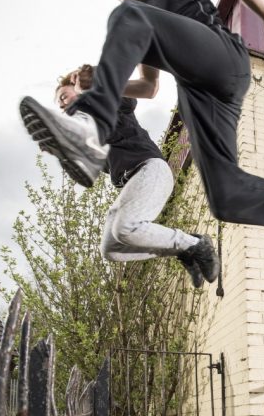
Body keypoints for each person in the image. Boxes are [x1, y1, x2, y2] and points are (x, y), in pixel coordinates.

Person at [19, 0, 264, 275]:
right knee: (227, 198)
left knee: (127, 15)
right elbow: (149, 88)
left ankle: (91, 133)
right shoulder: (144, 26)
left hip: (223, 61)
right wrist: (101, 84)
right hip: (201, 95)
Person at [54, 64, 219, 288]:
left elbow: (128, 99)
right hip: (132, 183)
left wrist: (92, 88)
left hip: (150, 169)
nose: (62, 104)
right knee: (111, 248)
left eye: (63, 97)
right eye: (59, 105)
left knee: (125, 227)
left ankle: (195, 245)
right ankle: (184, 249)